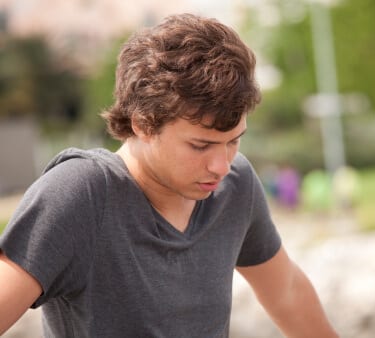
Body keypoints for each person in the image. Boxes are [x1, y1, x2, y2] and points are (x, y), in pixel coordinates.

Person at [0, 14, 340, 338]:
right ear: (143, 124)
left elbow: (287, 292)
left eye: (234, 141)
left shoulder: (236, 184)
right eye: (200, 145)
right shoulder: (77, 193)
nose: (221, 165)